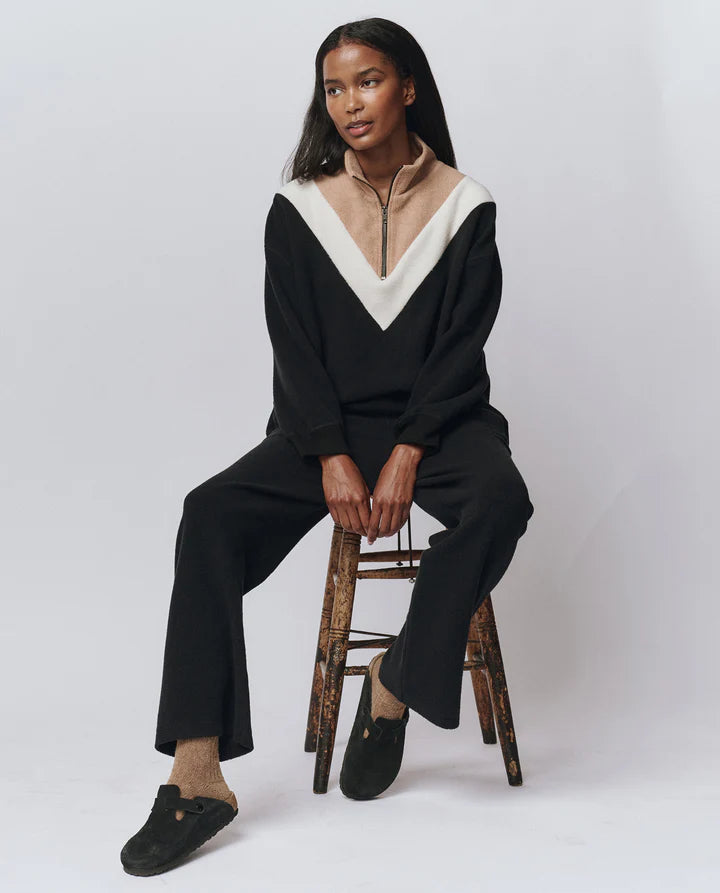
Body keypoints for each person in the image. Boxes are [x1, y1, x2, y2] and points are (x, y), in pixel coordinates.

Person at [120, 16, 535, 877]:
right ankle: (196, 776)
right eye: (334, 88)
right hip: (327, 429)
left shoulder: (465, 205)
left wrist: (413, 447)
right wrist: (332, 452)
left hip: (442, 420)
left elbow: (463, 345)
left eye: (370, 81)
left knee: (502, 498)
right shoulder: (301, 207)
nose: (350, 103)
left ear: (408, 86)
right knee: (208, 516)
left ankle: (392, 685)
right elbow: (293, 343)